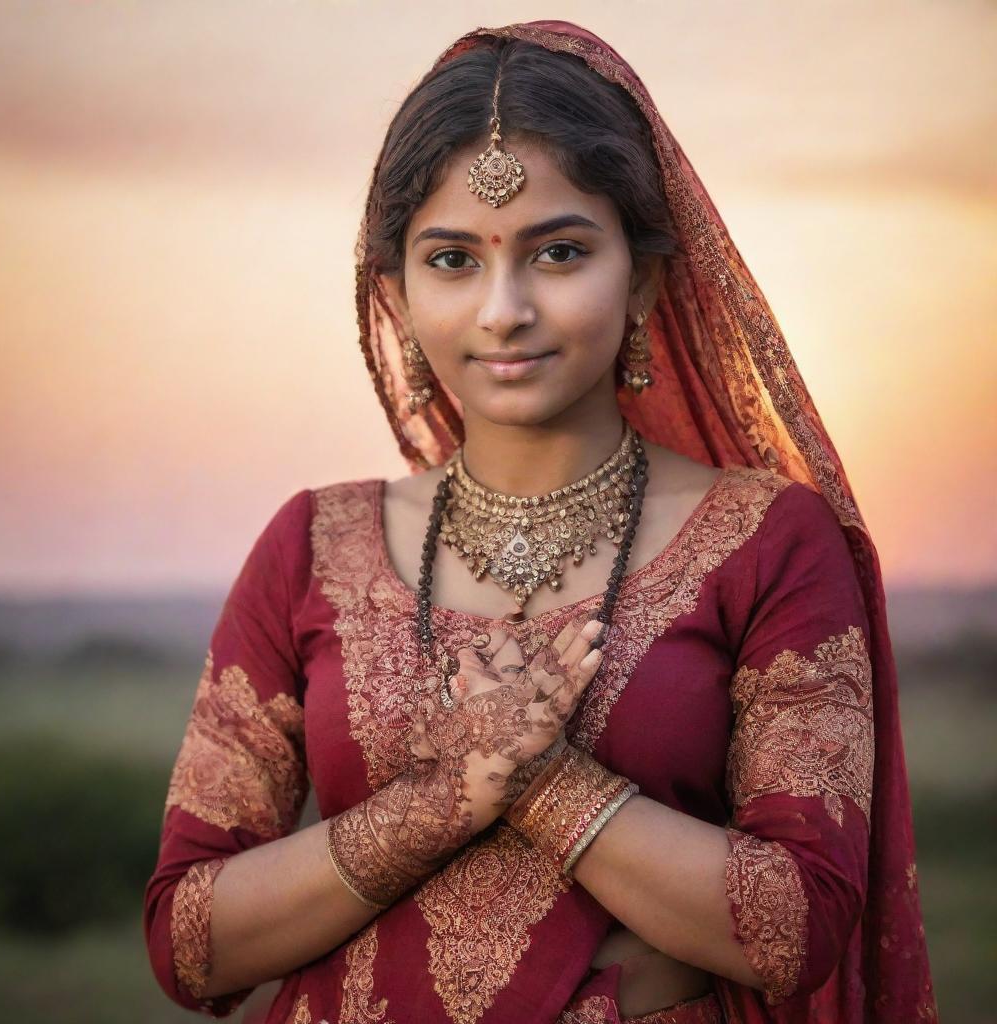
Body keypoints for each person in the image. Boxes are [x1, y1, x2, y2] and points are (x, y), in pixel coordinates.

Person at [143, 20, 939, 1024]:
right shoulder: (312, 545)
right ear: (393, 292)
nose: (504, 308)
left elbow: (797, 924)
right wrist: (439, 800)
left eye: (558, 251)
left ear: (645, 275)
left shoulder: (766, 540)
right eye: (452, 260)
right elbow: (189, 943)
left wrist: (544, 780)